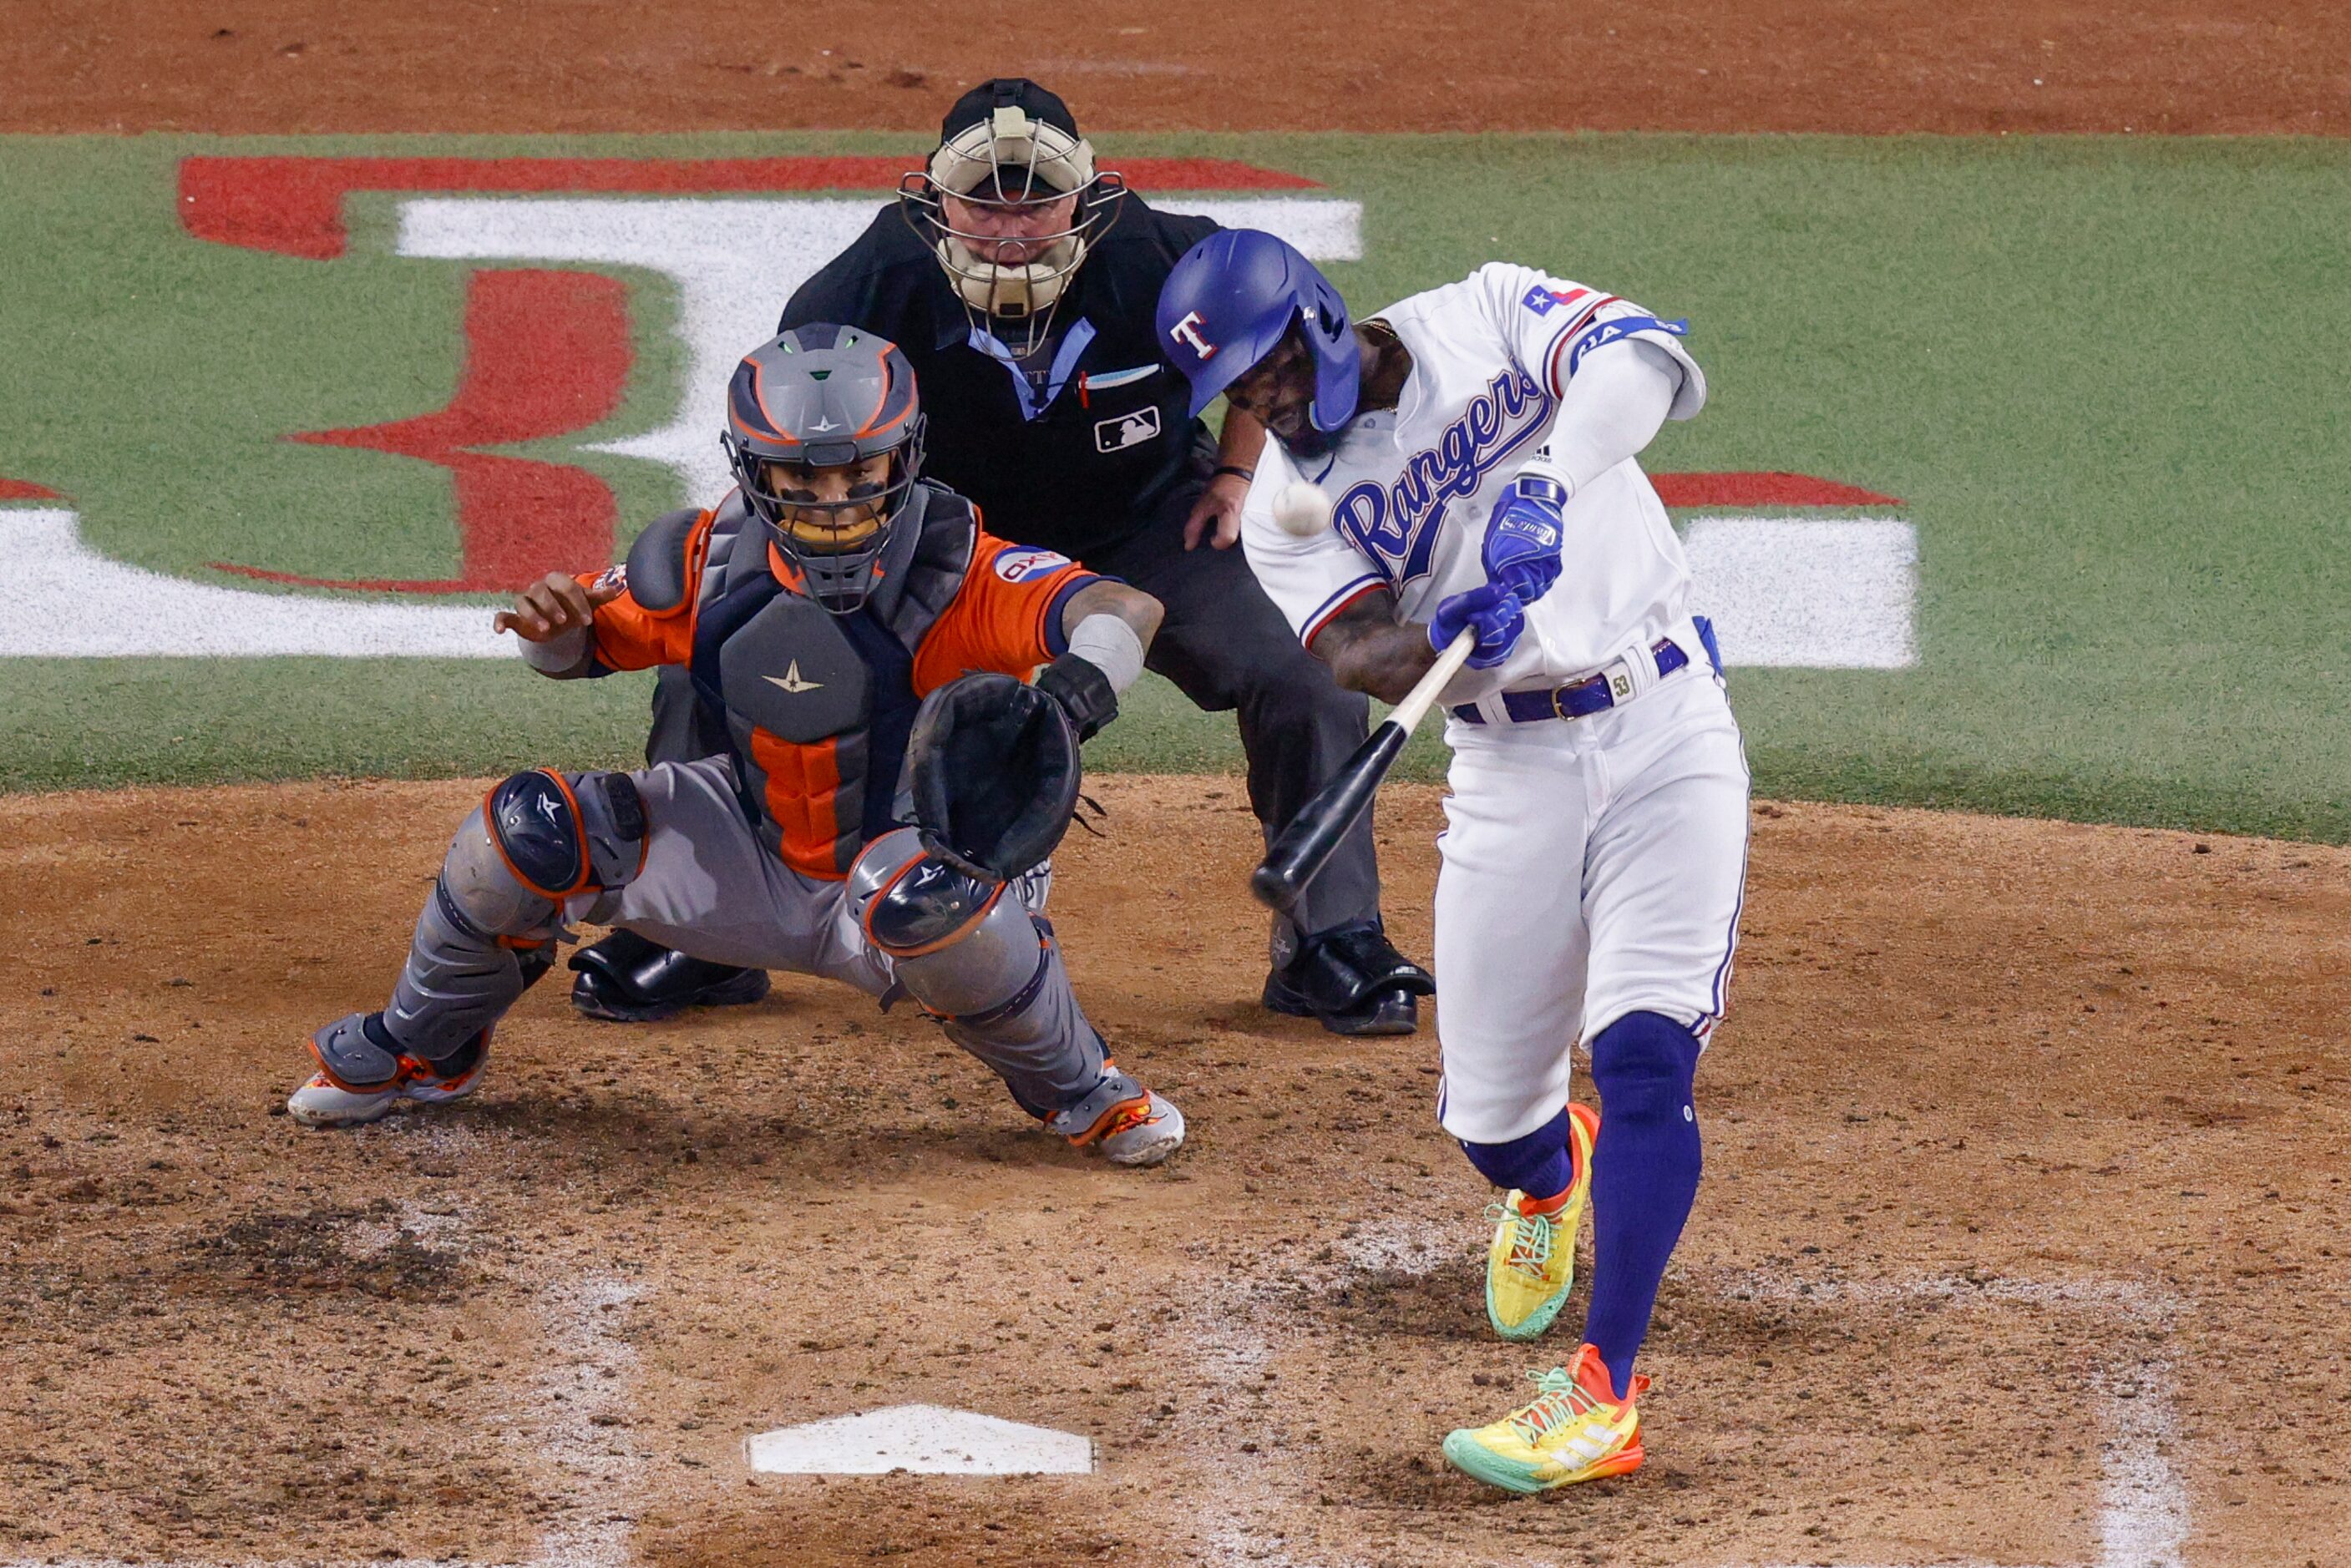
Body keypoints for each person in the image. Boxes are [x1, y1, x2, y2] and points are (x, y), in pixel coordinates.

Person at [569, 78, 1431, 1038]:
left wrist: (1233, 477)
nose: (1010, 229)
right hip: (935, 551)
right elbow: (794, 452)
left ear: (1087, 194)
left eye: (1037, 201)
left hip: (1146, 528)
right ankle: (699, 934)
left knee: (1303, 671)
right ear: (935, 200)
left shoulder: (1167, 259)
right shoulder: (859, 295)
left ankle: (1329, 939)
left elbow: (1275, 349)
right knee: (726, 648)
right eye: (983, 201)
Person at [285, 324, 1184, 1168]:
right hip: (747, 855)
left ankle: (1080, 1089)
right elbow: (579, 647)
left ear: (905, 455)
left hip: (912, 861)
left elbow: (1124, 609)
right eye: (801, 479)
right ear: (753, 470)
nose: (836, 502)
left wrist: (1071, 697)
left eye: (859, 470)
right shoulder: (706, 560)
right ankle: (425, 1049)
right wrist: (546, 629)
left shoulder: (966, 572)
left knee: (933, 905)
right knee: (521, 833)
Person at [1158, 231, 1747, 1487]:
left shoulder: (1476, 315)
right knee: (1492, 1124)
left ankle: (1601, 1395)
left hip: (1662, 721)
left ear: (1316, 321)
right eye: (1234, 399)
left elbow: (1641, 361)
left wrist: (1543, 480)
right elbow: (1361, 656)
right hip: (1508, 769)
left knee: (1645, 1051)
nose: (1255, 411)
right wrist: (1458, 637)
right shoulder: (1282, 513)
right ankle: (1550, 1175)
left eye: (1264, 376)